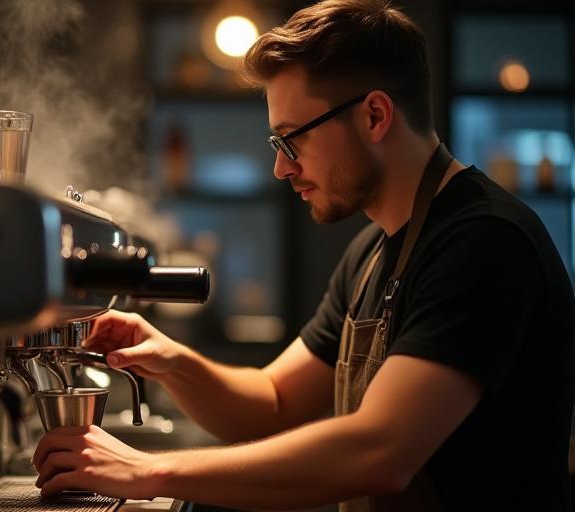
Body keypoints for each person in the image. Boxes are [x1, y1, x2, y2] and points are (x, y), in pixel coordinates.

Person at [32, 0, 575, 509]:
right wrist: (169, 361)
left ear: (375, 116)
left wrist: (148, 473)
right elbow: (272, 403)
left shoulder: (483, 243)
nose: (282, 168)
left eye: (292, 139)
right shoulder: (372, 251)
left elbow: (381, 450)